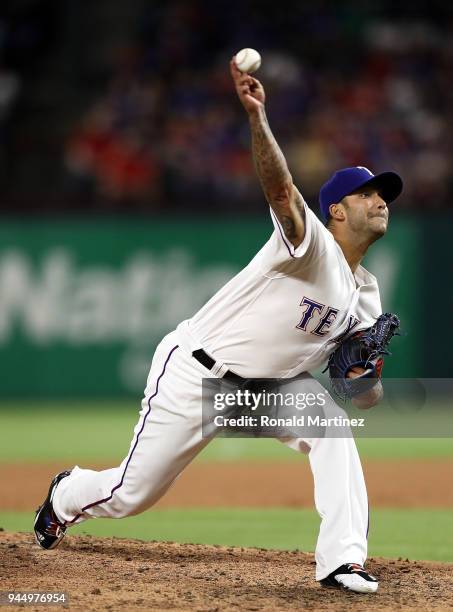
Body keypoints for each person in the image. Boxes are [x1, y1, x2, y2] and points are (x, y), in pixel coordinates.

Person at [34, 58, 403, 595]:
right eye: (369, 194)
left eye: (385, 195)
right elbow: (280, 191)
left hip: (267, 389)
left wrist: (365, 374)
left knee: (332, 427)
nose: (381, 201)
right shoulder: (311, 246)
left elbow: (363, 397)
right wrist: (258, 118)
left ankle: (341, 562)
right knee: (133, 494)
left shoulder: (366, 294)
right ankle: (67, 494)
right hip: (198, 373)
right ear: (337, 212)